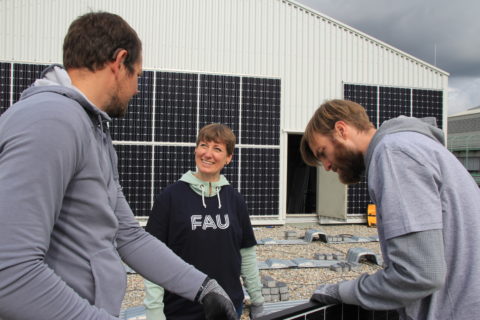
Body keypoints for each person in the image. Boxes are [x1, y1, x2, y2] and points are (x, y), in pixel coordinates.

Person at [0, 12, 237, 320]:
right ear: (119, 61)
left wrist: (202, 286)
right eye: (137, 75)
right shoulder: (50, 120)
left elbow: (127, 234)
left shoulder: (91, 129)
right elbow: (10, 271)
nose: (137, 89)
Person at [300, 99, 480, 320]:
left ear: (341, 130)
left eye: (323, 152)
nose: (327, 166)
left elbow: (419, 275)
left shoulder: (394, 153)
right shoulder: (413, 145)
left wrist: (341, 291)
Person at [143, 123, 265, 320]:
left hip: (228, 309)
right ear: (195, 150)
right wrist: (154, 311)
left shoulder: (235, 200)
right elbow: (153, 257)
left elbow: (247, 254)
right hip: (180, 310)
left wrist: (258, 300)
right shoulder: (169, 198)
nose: (207, 154)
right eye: (203, 145)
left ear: (228, 158)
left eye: (217, 149)